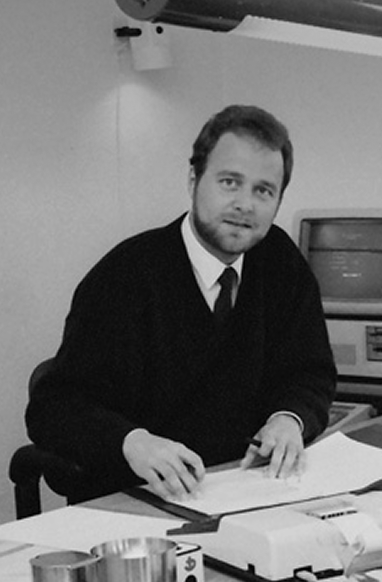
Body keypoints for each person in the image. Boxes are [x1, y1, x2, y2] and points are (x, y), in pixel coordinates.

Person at [26, 104, 337, 502]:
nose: (245, 204)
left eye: (263, 190)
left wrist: (289, 419)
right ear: (193, 180)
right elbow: (54, 407)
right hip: (137, 500)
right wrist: (133, 442)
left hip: (246, 491)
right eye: (230, 182)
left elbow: (310, 372)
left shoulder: (280, 261)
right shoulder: (125, 275)